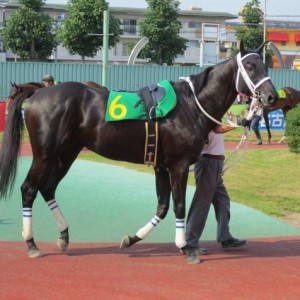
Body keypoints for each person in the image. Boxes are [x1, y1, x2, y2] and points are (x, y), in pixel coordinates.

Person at [183, 124, 247, 264]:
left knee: (223, 201)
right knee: (201, 204)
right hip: (208, 163)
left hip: (214, 164)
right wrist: (240, 123)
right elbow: (218, 128)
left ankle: (225, 238)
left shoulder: (213, 114)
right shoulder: (208, 115)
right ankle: (190, 243)